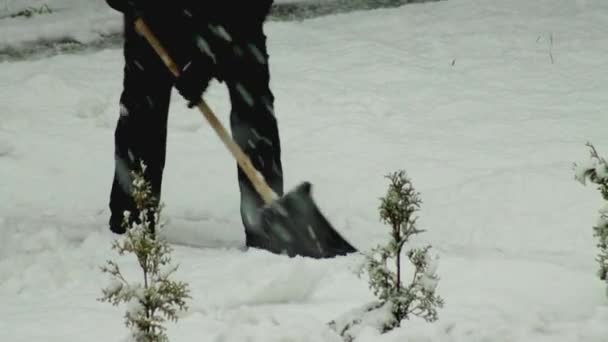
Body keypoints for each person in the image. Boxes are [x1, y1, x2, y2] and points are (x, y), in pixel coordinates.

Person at [105, 0, 283, 251]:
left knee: (254, 115)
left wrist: (207, 57)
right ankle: (132, 220)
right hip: (156, 13)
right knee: (142, 115)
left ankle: (267, 226)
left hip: (236, 15)